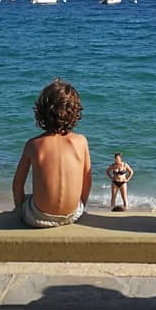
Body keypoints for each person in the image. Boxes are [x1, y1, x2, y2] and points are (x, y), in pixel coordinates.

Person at [12, 79, 92, 228]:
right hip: (73, 214)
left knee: (28, 199)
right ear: (75, 111)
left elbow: (17, 185)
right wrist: (81, 206)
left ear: (41, 112)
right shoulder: (81, 142)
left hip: (38, 217)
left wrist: (19, 209)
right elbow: (87, 181)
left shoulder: (33, 144)